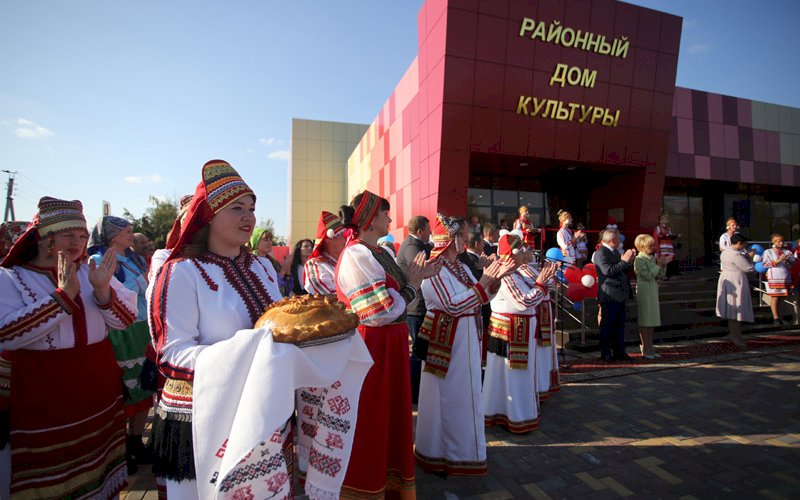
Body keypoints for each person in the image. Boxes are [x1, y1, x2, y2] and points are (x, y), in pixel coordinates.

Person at [148, 160, 283, 498]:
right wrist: (245, 356)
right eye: (236, 208)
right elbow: (171, 354)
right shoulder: (181, 272)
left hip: (260, 404)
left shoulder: (263, 266)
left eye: (251, 208)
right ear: (207, 215)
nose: (249, 216)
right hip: (203, 416)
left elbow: (281, 325)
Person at [0, 197, 137, 498]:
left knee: (99, 469)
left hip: (97, 389)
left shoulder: (90, 273)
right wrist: (62, 297)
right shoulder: (11, 278)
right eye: (68, 235)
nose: (78, 243)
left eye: (82, 235)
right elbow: (6, 333)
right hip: (46, 394)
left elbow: (125, 321)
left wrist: (102, 290)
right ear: (45, 238)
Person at [336, 191, 439, 498]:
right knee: (372, 418)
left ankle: (389, 481)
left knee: (390, 417)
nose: (391, 220)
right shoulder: (356, 254)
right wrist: (412, 287)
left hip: (388, 349)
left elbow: (395, 293)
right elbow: (377, 311)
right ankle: (365, 485)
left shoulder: (379, 253)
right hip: (371, 351)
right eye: (385, 215)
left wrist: (414, 279)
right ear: (370, 219)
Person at [413, 214, 512, 475]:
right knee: (448, 396)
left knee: (465, 394)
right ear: (450, 239)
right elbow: (452, 304)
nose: (467, 238)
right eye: (462, 234)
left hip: (464, 338)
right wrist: (483, 282)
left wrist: (495, 279)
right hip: (447, 341)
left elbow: (480, 298)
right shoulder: (433, 268)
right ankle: (444, 454)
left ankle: (467, 451)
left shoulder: (461, 266)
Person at [88, 216, 154, 473]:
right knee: (125, 390)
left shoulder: (134, 260)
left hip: (140, 329)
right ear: (112, 236)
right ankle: (123, 449)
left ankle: (137, 444)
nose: (131, 234)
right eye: (126, 231)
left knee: (144, 389)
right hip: (119, 332)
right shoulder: (98, 261)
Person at [483, 234, 556, 434]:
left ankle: (506, 413)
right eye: (521, 251)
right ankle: (516, 416)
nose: (525, 254)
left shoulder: (514, 272)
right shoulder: (506, 274)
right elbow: (524, 301)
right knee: (513, 377)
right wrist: (541, 283)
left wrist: (542, 282)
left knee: (507, 377)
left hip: (515, 330)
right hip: (512, 332)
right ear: (512, 254)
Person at [396, 215, 432, 404]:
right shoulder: (412, 247)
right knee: (418, 352)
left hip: (417, 305)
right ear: (420, 231)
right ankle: (414, 394)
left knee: (421, 351)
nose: (431, 232)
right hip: (415, 307)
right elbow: (420, 272)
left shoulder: (417, 245)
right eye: (428, 229)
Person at [594, 229, 636, 362]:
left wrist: (628, 262)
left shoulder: (615, 252)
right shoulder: (601, 253)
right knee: (607, 325)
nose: (620, 241)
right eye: (618, 239)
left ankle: (619, 351)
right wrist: (623, 262)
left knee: (619, 325)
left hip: (619, 294)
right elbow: (607, 271)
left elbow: (621, 270)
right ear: (612, 240)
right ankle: (605, 352)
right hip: (609, 294)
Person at [633, 234, 670, 359]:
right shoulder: (639, 260)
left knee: (652, 319)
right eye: (650, 245)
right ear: (642, 246)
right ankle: (645, 347)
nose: (652, 248)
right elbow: (647, 275)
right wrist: (658, 265)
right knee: (645, 319)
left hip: (653, 289)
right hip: (644, 289)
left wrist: (663, 265)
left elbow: (659, 275)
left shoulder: (651, 259)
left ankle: (650, 346)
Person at [716, 234, 754, 349]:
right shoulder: (736, 254)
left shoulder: (725, 252)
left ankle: (736, 334)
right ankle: (735, 335)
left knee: (731, 309)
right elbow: (748, 268)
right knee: (736, 308)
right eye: (743, 245)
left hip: (726, 277)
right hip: (736, 280)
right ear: (738, 243)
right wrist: (750, 257)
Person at [303, 211, 345, 294]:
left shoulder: (346, 261)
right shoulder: (315, 264)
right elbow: (327, 296)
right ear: (327, 240)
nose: (346, 239)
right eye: (342, 235)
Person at [762, 234, 796, 325]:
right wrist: (778, 260)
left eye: (782, 241)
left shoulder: (787, 252)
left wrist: (788, 261)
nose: (781, 243)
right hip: (774, 275)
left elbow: (792, 265)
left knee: (782, 297)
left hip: (784, 275)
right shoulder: (768, 252)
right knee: (775, 296)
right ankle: (775, 317)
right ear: (774, 242)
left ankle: (780, 316)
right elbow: (765, 264)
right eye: (778, 241)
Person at [653, 214, 679, 278]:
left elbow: (670, 235)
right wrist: (663, 236)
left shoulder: (668, 228)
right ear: (661, 220)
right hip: (662, 246)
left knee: (666, 261)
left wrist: (674, 236)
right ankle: (658, 275)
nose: (667, 220)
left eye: (667, 219)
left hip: (668, 246)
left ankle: (663, 275)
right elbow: (656, 236)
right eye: (665, 219)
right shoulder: (658, 228)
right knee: (661, 261)